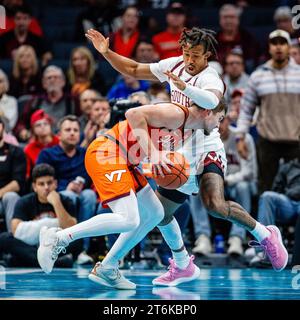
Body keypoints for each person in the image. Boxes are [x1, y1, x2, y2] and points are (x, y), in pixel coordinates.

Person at [37, 27, 288, 289]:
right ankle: (172, 264)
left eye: (196, 55)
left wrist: (183, 89)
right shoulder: (174, 67)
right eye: (186, 53)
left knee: (213, 203)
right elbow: (134, 69)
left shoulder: (210, 78)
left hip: (205, 146)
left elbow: (211, 101)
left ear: (208, 56)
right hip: (179, 150)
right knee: (159, 215)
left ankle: (264, 234)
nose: (190, 60)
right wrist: (107, 53)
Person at [236, 29, 300, 193]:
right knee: (266, 188)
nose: (278, 47)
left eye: (282, 43)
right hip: (268, 142)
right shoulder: (257, 76)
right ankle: (266, 220)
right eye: (274, 43)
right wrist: (240, 137)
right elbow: (246, 109)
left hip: (296, 141)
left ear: (288, 46)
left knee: (296, 190)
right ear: (269, 47)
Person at [0, 163, 81, 267]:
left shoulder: (66, 201)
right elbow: (17, 232)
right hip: (31, 247)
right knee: (4, 238)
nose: (46, 187)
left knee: (78, 239)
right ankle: (54, 262)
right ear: (34, 186)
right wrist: (51, 224)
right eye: (41, 184)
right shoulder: (24, 202)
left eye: (49, 183)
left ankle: (29, 261)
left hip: (55, 247)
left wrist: (57, 203)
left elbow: (71, 228)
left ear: (55, 183)